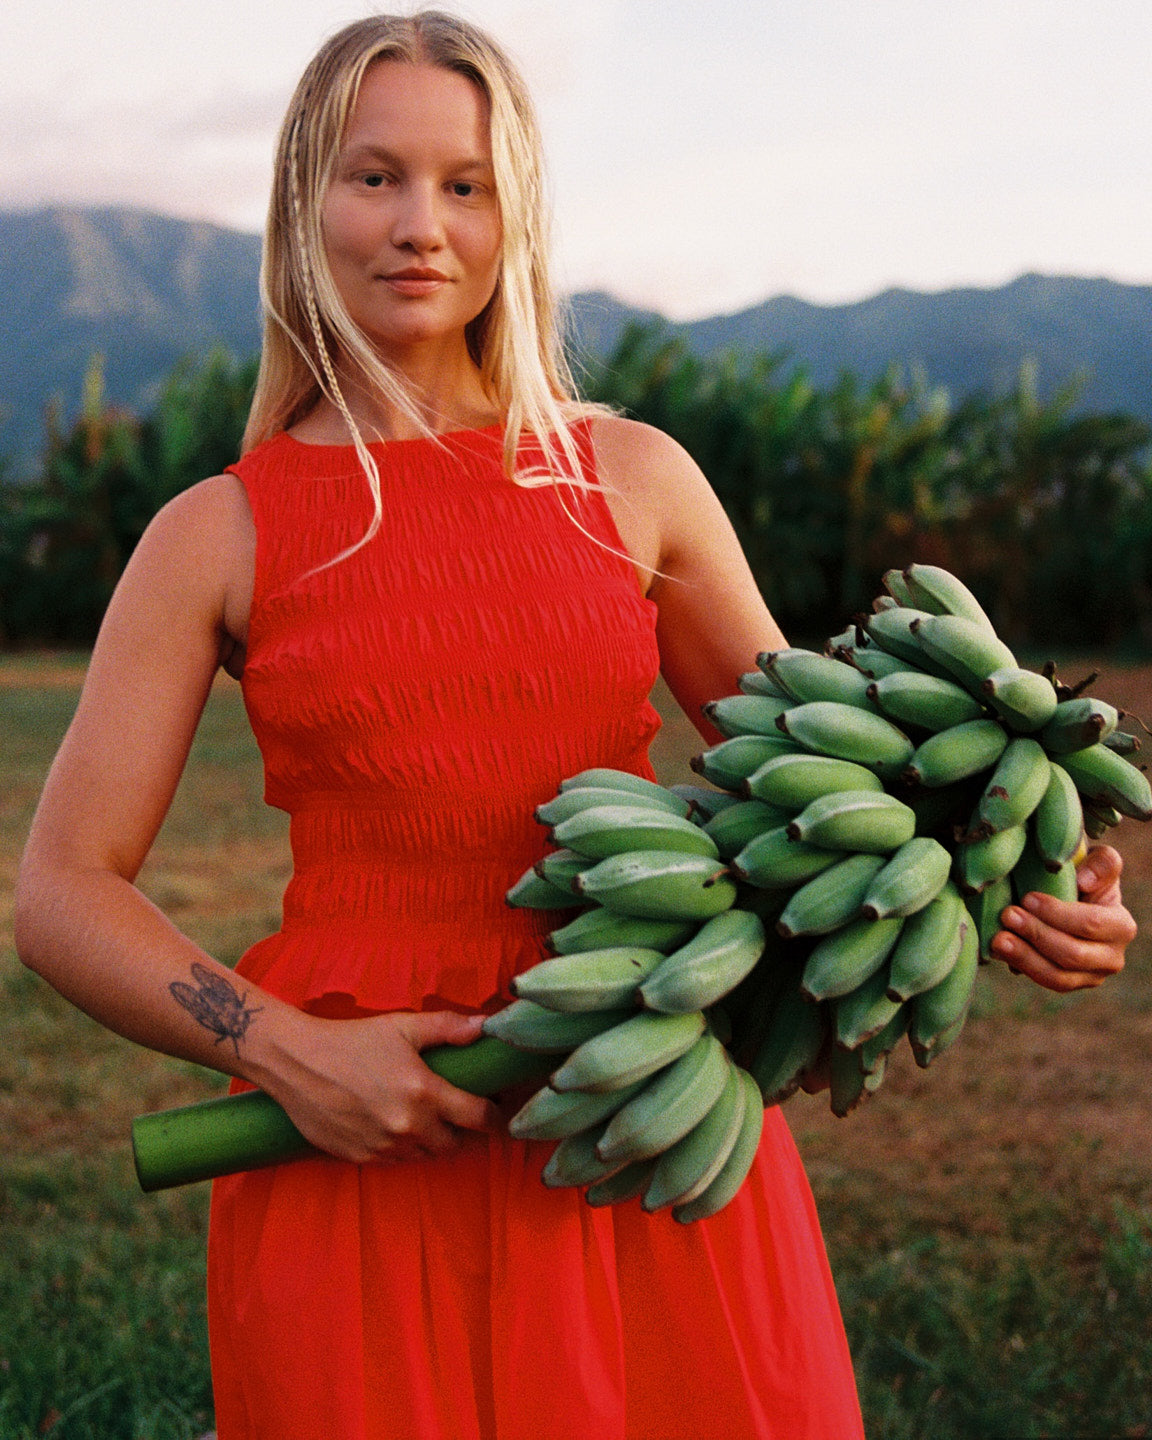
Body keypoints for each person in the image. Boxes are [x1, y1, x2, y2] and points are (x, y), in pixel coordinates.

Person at [14, 11, 1137, 1439]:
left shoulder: (635, 480)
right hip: (357, 1136)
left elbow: (838, 798)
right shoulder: (216, 532)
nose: (421, 224)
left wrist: (1040, 890)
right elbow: (60, 890)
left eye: (466, 184)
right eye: (373, 177)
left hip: (650, 1094)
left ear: (515, 214)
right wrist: (283, 1049)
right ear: (303, 204)